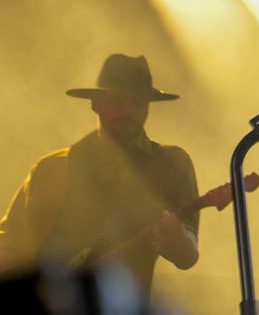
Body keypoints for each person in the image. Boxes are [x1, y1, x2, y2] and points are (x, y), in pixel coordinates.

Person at [0, 54, 200, 295]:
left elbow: (187, 256)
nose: (128, 111)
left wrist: (175, 238)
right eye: (118, 100)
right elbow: (11, 242)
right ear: (95, 103)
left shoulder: (171, 164)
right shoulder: (52, 167)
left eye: (137, 103)